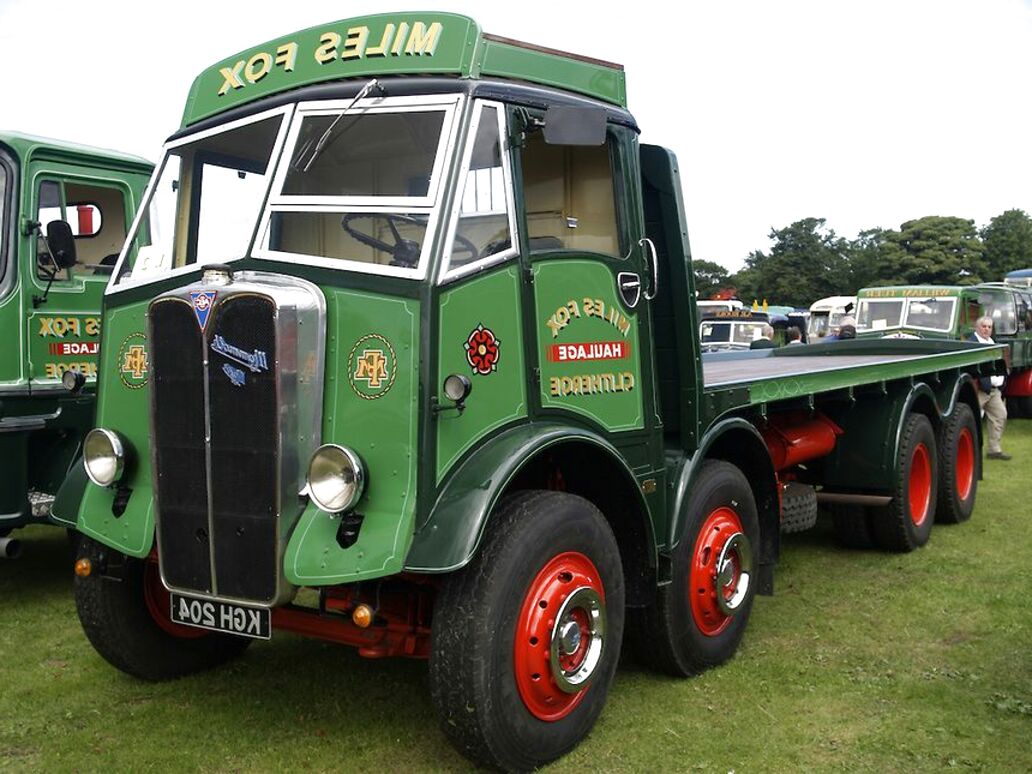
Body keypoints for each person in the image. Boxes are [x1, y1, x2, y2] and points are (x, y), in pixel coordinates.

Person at [969, 316, 1010, 460]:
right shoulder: (971, 343)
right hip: (978, 390)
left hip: (994, 391)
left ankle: (994, 450)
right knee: (969, 419)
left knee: (1000, 415)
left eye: (989, 327)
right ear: (977, 327)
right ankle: (967, 452)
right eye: (984, 326)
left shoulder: (993, 343)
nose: (987, 329)